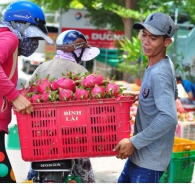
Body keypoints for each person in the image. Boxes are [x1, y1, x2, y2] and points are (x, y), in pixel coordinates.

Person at [0, 1, 53, 183]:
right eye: (33, 37)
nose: (33, 43)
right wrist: (14, 96)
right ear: (20, 25)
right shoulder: (9, 38)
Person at [25, 30, 100, 183]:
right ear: (77, 51)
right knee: (85, 170)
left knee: (33, 170)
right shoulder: (81, 71)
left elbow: (26, 93)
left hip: (42, 135)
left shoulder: (43, 68)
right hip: (72, 137)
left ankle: (31, 176)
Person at [113, 12, 178, 183]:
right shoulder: (161, 62)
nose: (146, 42)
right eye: (144, 34)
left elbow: (169, 117)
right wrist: (144, 96)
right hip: (140, 157)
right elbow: (173, 94)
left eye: (154, 38)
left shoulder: (159, 73)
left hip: (149, 164)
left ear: (167, 42)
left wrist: (134, 142)